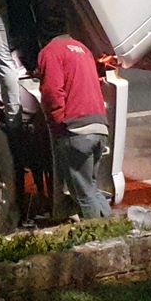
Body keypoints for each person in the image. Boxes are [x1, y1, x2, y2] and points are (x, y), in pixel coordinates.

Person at [36, 16, 112, 220]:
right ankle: (112, 227)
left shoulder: (50, 52)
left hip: (76, 129)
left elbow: (52, 91)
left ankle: (95, 235)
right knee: (91, 187)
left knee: (83, 194)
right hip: (99, 126)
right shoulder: (83, 50)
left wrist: (58, 122)